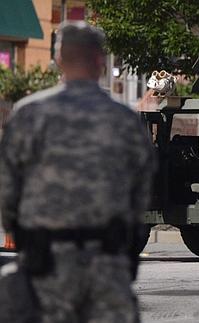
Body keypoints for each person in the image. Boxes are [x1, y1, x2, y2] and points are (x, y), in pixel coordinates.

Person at [0, 21, 156, 322]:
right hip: (107, 263)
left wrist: (20, 237)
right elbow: (142, 192)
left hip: (46, 264)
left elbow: (8, 188)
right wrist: (127, 250)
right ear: (100, 60)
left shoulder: (29, 114)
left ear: (58, 59)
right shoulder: (124, 120)